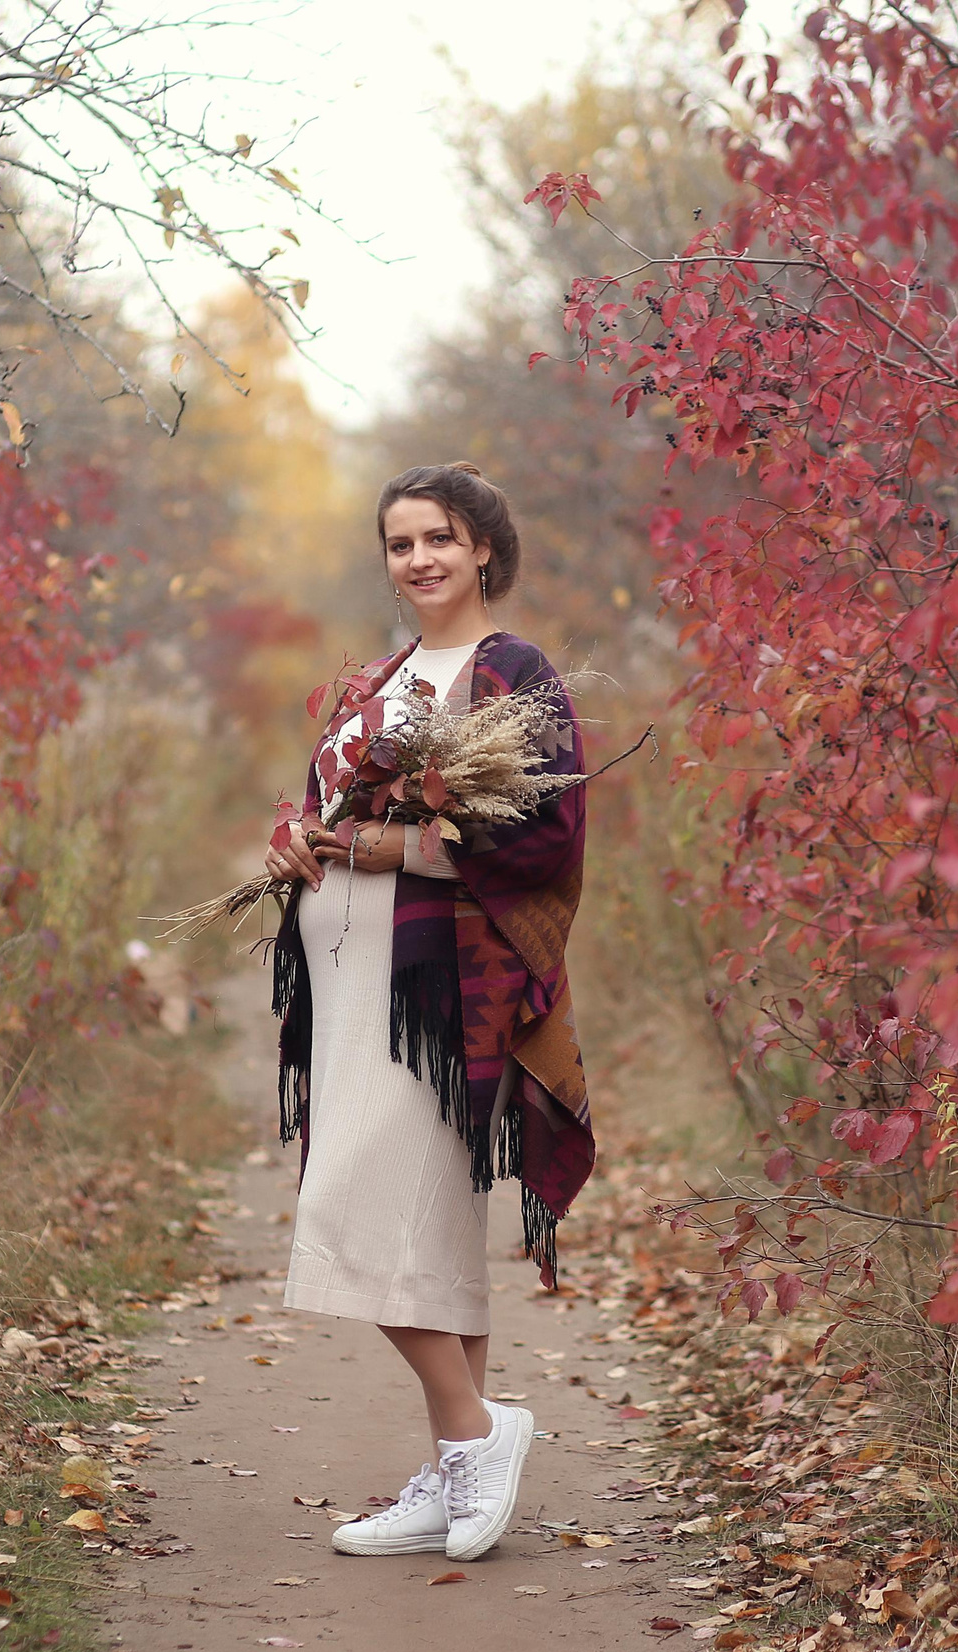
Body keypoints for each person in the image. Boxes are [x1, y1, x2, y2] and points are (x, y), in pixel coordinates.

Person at [259, 461, 598, 1562]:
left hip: (438, 992)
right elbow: (329, 806)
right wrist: (305, 838)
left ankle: (475, 1427)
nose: (420, 560)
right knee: (436, 1234)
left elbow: (538, 836)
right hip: (353, 985)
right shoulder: (385, 677)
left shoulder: (512, 673)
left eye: (440, 538)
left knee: (348, 1203)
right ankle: (459, 1478)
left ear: (485, 549)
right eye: (401, 543)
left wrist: (379, 841)